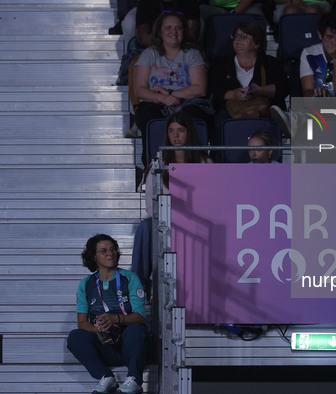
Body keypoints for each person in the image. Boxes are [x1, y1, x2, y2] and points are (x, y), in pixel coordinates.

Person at [133, 112, 212, 287]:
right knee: (145, 228)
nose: (175, 136)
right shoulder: (158, 164)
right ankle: (137, 288)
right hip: (165, 221)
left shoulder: (205, 163)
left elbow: (209, 201)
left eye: (180, 130)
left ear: (188, 133)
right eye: (171, 131)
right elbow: (149, 206)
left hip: (195, 222)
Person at [67, 234, 148, 394]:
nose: (110, 253)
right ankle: (106, 377)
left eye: (112, 249)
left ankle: (134, 380)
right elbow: (82, 323)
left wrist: (116, 319)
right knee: (75, 337)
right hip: (104, 346)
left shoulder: (130, 278)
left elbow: (140, 316)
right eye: (103, 251)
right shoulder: (86, 284)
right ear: (94, 257)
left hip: (129, 346)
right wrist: (100, 329)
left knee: (137, 329)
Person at [134, 12, 208, 167]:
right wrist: (162, 99)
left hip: (187, 102)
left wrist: (170, 94)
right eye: (168, 28)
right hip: (155, 102)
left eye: (178, 28)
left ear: (184, 31)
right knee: (148, 115)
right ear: (160, 32)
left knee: (193, 117)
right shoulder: (149, 54)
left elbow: (200, 89)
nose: (173, 32)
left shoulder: (192, 54)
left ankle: (192, 166)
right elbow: (140, 90)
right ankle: (153, 166)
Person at [209, 22, 289, 144]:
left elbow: (283, 88)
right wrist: (233, 94)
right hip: (230, 112)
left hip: (262, 110)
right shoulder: (220, 64)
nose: (238, 40)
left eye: (243, 36)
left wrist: (259, 91)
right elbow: (212, 91)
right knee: (219, 120)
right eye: (236, 36)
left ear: (256, 44)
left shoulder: (270, 63)